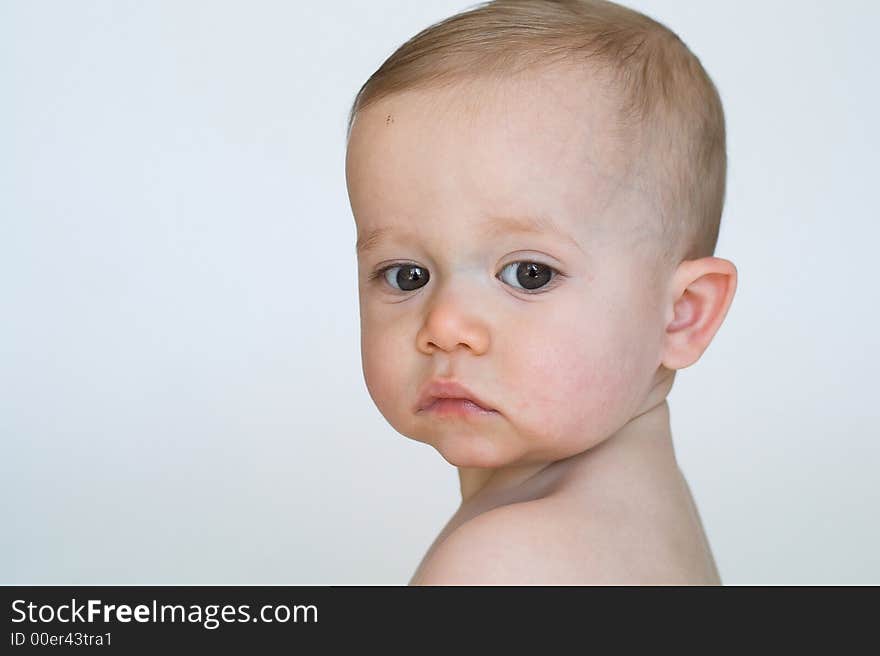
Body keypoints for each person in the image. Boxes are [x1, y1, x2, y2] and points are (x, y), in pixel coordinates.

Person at [344, 0, 737, 584]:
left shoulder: (505, 564)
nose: (446, 325)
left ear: (681, 314)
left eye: (529, 274)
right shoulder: (642, 526)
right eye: (408, 275)